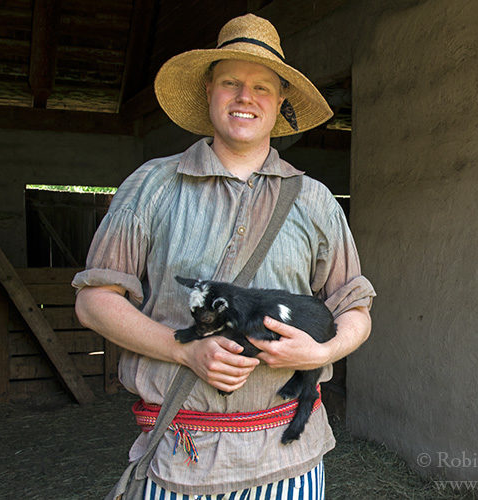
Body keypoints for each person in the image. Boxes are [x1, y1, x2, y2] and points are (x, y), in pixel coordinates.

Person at [73, 13, 375, 499]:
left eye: (262, 87)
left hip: (290, 459)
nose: (245, 97)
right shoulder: (152, 185)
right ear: (208, 91)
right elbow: (93, 302)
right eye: (230, 82)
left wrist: (319, 352)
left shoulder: (315, 200)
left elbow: (355, 309)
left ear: (279, 103)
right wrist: (181, 348)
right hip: (179, 455)